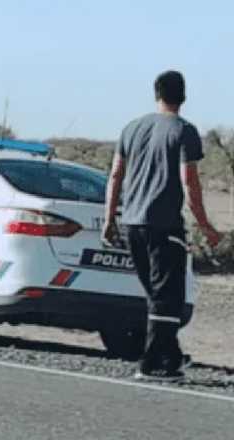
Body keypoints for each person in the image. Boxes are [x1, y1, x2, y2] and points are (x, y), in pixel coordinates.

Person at [103, 70, 222, 382]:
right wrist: (206, 225)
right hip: (164, 225)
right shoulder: (184, 131)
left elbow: (115, 175)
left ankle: (169, 354)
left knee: (156, 294)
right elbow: (189, 180)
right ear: (183, 96)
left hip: (132, 224)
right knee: (167, 295)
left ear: (156, 94)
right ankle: (154, 364)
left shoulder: (132, 129)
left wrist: (108, 219)